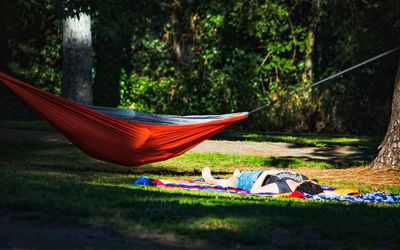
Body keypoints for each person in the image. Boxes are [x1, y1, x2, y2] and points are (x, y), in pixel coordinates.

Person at [202, 166, 324, 195]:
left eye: (313, 181)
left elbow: (254, 191)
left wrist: (266, 172)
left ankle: (211, 179)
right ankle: (237, 175)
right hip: (258, 174)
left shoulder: (281, 188)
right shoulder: (304, 180)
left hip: (250, 181)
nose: (313, 180)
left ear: (304, 185)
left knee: (229, 183)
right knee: (238, 176)